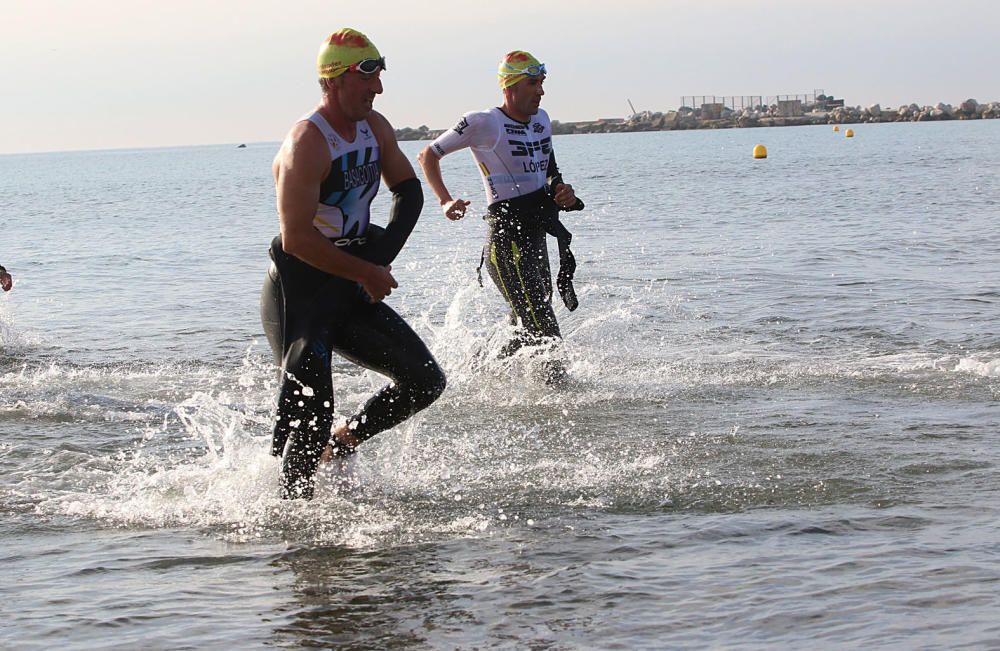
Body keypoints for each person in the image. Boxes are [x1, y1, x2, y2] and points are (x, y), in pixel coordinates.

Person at [261, 28, 446, 499]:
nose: (378, 89)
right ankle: (293, 520)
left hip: (346, 280)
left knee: (424, 381)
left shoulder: (375, 127)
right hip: (299, 289)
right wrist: (365, 271)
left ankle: (340, 445)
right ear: (335, 79)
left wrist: (376, 261)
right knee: (311, 409)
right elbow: (297, 238)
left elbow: (408, 193)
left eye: (380, 78)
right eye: (369, 80)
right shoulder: (307, 143)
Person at [418, 51, 584, 380]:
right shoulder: (483, 122)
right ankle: (563, 400)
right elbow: (428, 155)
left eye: (542, 83)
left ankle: (475, 371)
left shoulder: (542, 120)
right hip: (506, 242)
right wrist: (445, 201)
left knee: (525, 321)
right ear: (509, 87)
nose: (541, 91)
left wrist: (561, 189)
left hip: (536, 235)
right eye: (533, 83)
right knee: (543, 326)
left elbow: (549, 168)